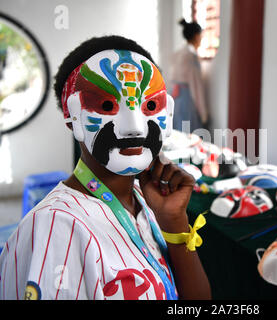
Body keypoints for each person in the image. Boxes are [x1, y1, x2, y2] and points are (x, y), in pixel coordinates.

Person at [0, 35, 211, 300]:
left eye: (150, 106)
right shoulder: (57, 228)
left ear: (167, 114)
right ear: (73, 116)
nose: (134, 126)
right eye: (108, 106)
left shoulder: (144, 201)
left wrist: (175, 222)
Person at [169, 19, 209, 132]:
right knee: (188, 133)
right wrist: (203, 112)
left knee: (177, 131)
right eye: (201, 36)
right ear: (197, 36)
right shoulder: (191, 55)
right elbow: (196, 86)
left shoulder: (178, 53)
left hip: (175, 97)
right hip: (187, 99)